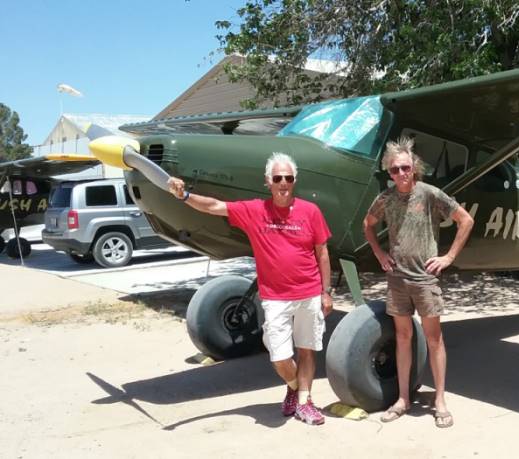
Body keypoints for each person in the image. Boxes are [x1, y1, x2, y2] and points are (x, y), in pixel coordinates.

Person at [167, 152, 333, 426]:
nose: (283, 183)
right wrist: (184, 196)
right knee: (280, 356)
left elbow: (322, 253)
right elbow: (214, 206)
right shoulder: (255, 210)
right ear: (268, 181)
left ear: (295, 181)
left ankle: (305, 402)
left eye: (288, 178)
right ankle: (294, 386)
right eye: (278, 178)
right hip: (275, 297)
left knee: (307, 350)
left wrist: (325, 291)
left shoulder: (310, 211)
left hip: (309, 292)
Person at [363, 137, 474, 428]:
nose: (400, 174)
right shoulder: (385, 199)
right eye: (395, 169)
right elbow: (368, 225)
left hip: (425, 279)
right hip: (397, 279)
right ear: (389, 172)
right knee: (402, 338)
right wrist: (379, 253)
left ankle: (439, 401)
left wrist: (448, 257)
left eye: (405, 168)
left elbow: (466, 220)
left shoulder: (429, 194)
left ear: (414, 169)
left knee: (434, 339)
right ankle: (403, 399)